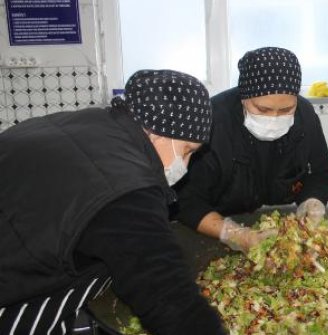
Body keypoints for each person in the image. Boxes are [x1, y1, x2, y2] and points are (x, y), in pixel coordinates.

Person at [0, 70, 226, 335]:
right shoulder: (126, 186)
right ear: (160, 133)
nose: (185, 165)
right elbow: (167, 295)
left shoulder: (93, 123)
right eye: (187, 151)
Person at [174, 47, 328, 253]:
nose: (274, 118)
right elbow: (186, 200)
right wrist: (233, 234)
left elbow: (319, 175)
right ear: (243, 96)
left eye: (286, 110)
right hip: (212, 237)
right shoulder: (213, 122)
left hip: (280, 236)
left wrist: (313, 201)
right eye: (263, 109)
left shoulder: (305, 116)